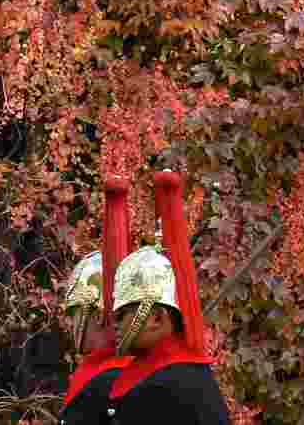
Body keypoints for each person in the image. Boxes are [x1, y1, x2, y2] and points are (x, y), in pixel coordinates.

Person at [104, 171, 231, 425]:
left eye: (123, 314)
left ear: (157, 317)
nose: (114, 323)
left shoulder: (165, 386)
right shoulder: (175, 375)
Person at [59, 178, 133, 425]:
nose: (71, 324)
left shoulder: (105, 380)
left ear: (99, 313)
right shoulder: (131, 370)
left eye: (77, 313)